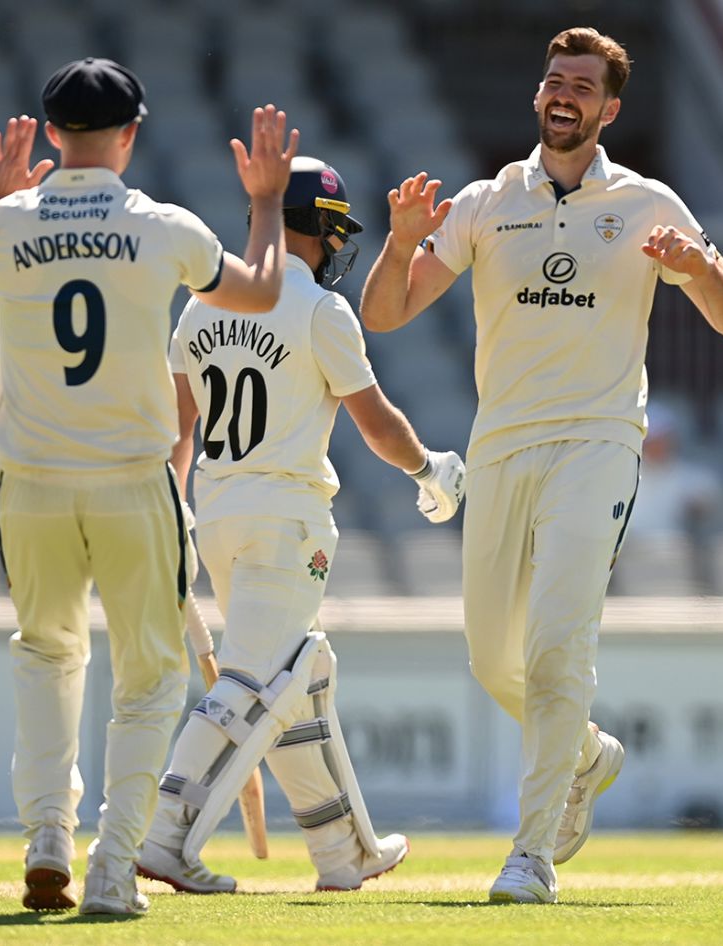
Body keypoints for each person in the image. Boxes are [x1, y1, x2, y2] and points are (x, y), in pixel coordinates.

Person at [359, 27, 723, 903]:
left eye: (581, 85)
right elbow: (386, 315)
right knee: (490, 659)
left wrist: (699, 273)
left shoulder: (651, 203)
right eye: (553, 80)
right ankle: (587, 754)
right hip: (501, 445)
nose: (562, 94)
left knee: (556, 649)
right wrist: (398, 243)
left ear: (609, 110)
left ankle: (530, 853)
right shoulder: (485, 201)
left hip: (599, 443)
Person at [0, 57, 298, 915]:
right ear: (131, 134)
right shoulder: (163, 224)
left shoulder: (5, 221)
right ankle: (114, 866)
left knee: (46, 656)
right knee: (150, 678)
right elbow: (263, 292)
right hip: (130, 481)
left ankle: (48, 837)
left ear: (50, 134)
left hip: (32, 485)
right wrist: (266, 200)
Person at [136, 156, 465, 894]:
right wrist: (428, 469)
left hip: (218, 517)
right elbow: (375, 422)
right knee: (256, 682)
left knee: (295, 678)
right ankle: (160, 837)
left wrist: (172, 510)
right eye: (333, 231)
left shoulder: (200, 304)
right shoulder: (320, 308)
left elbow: (177, 432)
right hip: (287, 520)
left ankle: (343, 852)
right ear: (316, 228)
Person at [630, 403, 721, 538]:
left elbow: (708, 499)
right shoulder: (625, 477)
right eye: (652, 440)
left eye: (661, 439)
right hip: (631, 551)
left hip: (675, 552)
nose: (657, 446)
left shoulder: (694, 477)